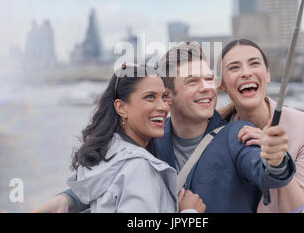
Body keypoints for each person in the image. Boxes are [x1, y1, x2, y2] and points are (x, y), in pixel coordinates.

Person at [35, 42, 296, 213]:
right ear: (168, 95)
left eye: (208, 78)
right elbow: (111, 176)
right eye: (192, 81)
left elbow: (271, 174)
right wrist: (68, 200)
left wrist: (275, 158)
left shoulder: (235, 136)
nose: (207, 87)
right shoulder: (151, 141)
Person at [64, 63, 205, 213]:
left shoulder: (106, 156)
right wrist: (189, 213)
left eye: (164, 97)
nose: (163, 107)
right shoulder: (139, 167)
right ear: (121, 108)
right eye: (150, 97)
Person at [219, 38, 304, 213]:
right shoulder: (218, 132)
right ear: (222, 84)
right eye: (234, 67)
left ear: (268, 74)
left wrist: (280, 162)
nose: (246, 73)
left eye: (254, 63)